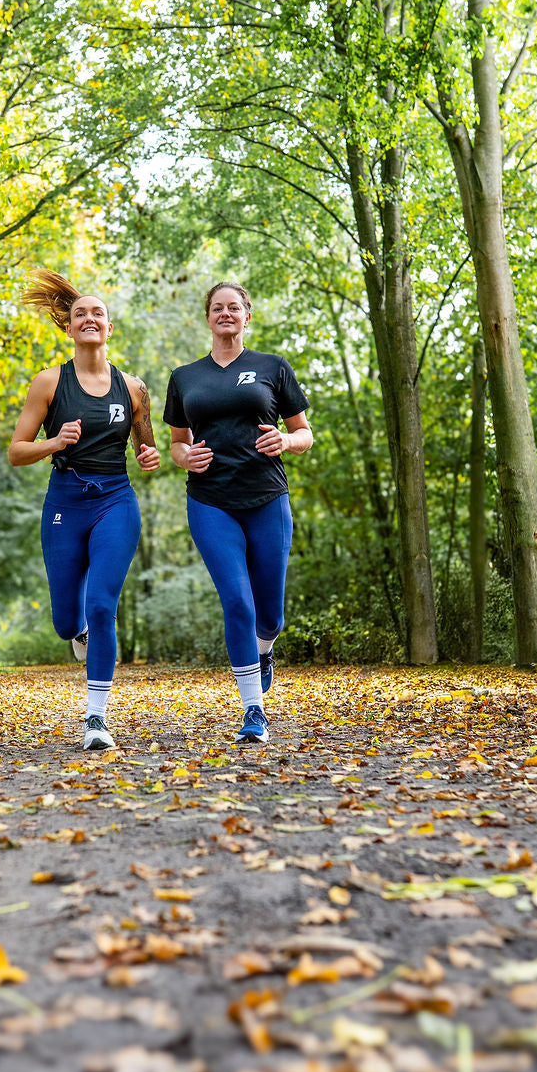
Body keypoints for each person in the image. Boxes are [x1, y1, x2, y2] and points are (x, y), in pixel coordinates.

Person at [9, 271, 159, 750]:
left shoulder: (133, 389)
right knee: (66, 620)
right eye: (81, 314)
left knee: (102, 604)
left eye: (98, 313)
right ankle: (76, 633)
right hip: (65, 502)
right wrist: (55, 441)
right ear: (69, 329)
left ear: (109, 328)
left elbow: (146, 447)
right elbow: (16, 450)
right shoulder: (49, 383)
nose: (89, 319)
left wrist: (149, 456)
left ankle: (96, 718)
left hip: (116, 500)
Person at [164, 281, 312, 745]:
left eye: (234, 307)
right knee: (237, 603)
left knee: (270, 615)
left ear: (247, 315)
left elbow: (304, 433)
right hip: (210, 501)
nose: (225, 313)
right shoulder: (185, 377)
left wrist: (286, 441)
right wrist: (184, 457)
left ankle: (265, 650)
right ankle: (254, 710)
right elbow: (175, 442)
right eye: (217, 308)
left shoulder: (273, 367)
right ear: (207, 318)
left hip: (267, 497)